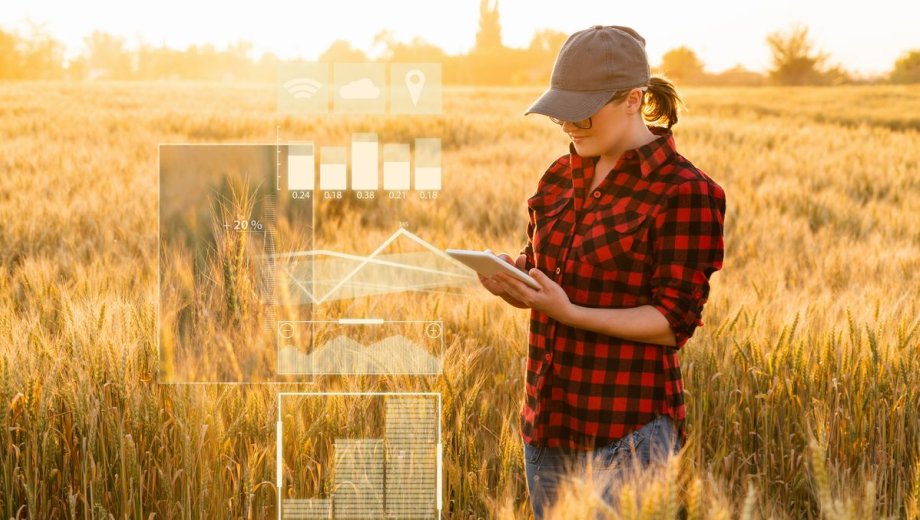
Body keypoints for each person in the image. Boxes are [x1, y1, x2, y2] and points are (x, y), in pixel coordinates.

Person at [477, 25, 726, 518]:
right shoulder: (557, 176)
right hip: (547, 425)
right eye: (560, 111)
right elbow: (551, 267)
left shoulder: (685, 191)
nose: (569, 124)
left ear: (633, 99)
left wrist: (568, 311)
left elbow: (673, 322)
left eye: (582, 112)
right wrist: (517, 279)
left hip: (626, 433)